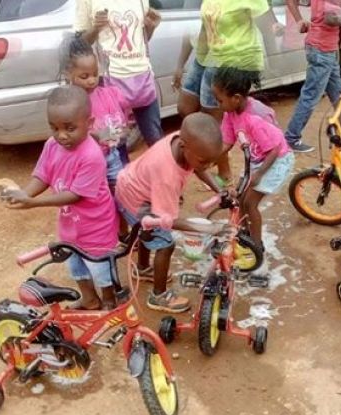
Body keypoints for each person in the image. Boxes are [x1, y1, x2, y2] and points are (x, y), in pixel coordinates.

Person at [2, 86, 119, 310]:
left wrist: (33, 203)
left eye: (69, 128)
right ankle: (89, 299)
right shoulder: (52, 145)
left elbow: (74, 195)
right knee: (75, 264)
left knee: (101, 269)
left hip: (96, 227)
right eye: (54, 128)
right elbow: (42, 175)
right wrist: (24, 193)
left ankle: (109, 302)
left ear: (90, 122)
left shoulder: (91, 155)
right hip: (70, 225)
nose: (61, 135)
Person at [115, 112, 228, 313]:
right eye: (205, 161)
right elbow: (167, 220)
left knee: (146, 231)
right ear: (185, 147)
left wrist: (218, 189)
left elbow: (198, 167)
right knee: (166, 244)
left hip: (131, 185)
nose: (208, 166)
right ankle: (159, 296)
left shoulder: (185, 142)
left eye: (212, 162)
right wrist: (208, 228)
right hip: (139, 201)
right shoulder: (167, 174)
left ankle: (142, 268)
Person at [176, 0, 273, 185]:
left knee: (213, 121)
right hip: (207, 55)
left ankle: (224, 172)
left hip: (230, 60)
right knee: (185, 107)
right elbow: (204, 27)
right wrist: (191, 62)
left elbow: (266, 21)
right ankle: (204, 156)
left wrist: (268, 59)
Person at [211, 66, 295, 251]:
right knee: (240, 199)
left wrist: (258, 175)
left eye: (220, 100)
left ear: (236, 98)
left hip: (277, 160)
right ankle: (244, 235)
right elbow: (226, 143)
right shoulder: (230, 113)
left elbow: (274, 148)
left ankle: (257, 247)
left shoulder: (256, 116)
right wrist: (208, 159)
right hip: (257, 159)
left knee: (250, 203)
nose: (218, 105)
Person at [74, 0, 163, 149]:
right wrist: (96, 28)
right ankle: (120, 171)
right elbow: (79, 44)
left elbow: (141, 40)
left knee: (155, 139)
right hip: (110, 81)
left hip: (142, 78)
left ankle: (161, 172)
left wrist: (150, 28)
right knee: (115, 143)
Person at [284, 0, 341, 153]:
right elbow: (329, 18)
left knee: (337, 91)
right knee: (310, 96)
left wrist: (299, 20)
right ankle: (291, 138)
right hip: (321, 50)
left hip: (326, 48)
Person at [59, 33, 130, 190]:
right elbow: (65, 135)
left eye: (94, 74)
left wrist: (124, 131)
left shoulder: (110, 94)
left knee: (120, 190)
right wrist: (99, 135)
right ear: (68, 74)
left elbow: (126, 124)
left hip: (112, 155)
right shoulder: (69, 104)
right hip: (86, 161)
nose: (91, 80)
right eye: (84, 76)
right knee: (95, 194)